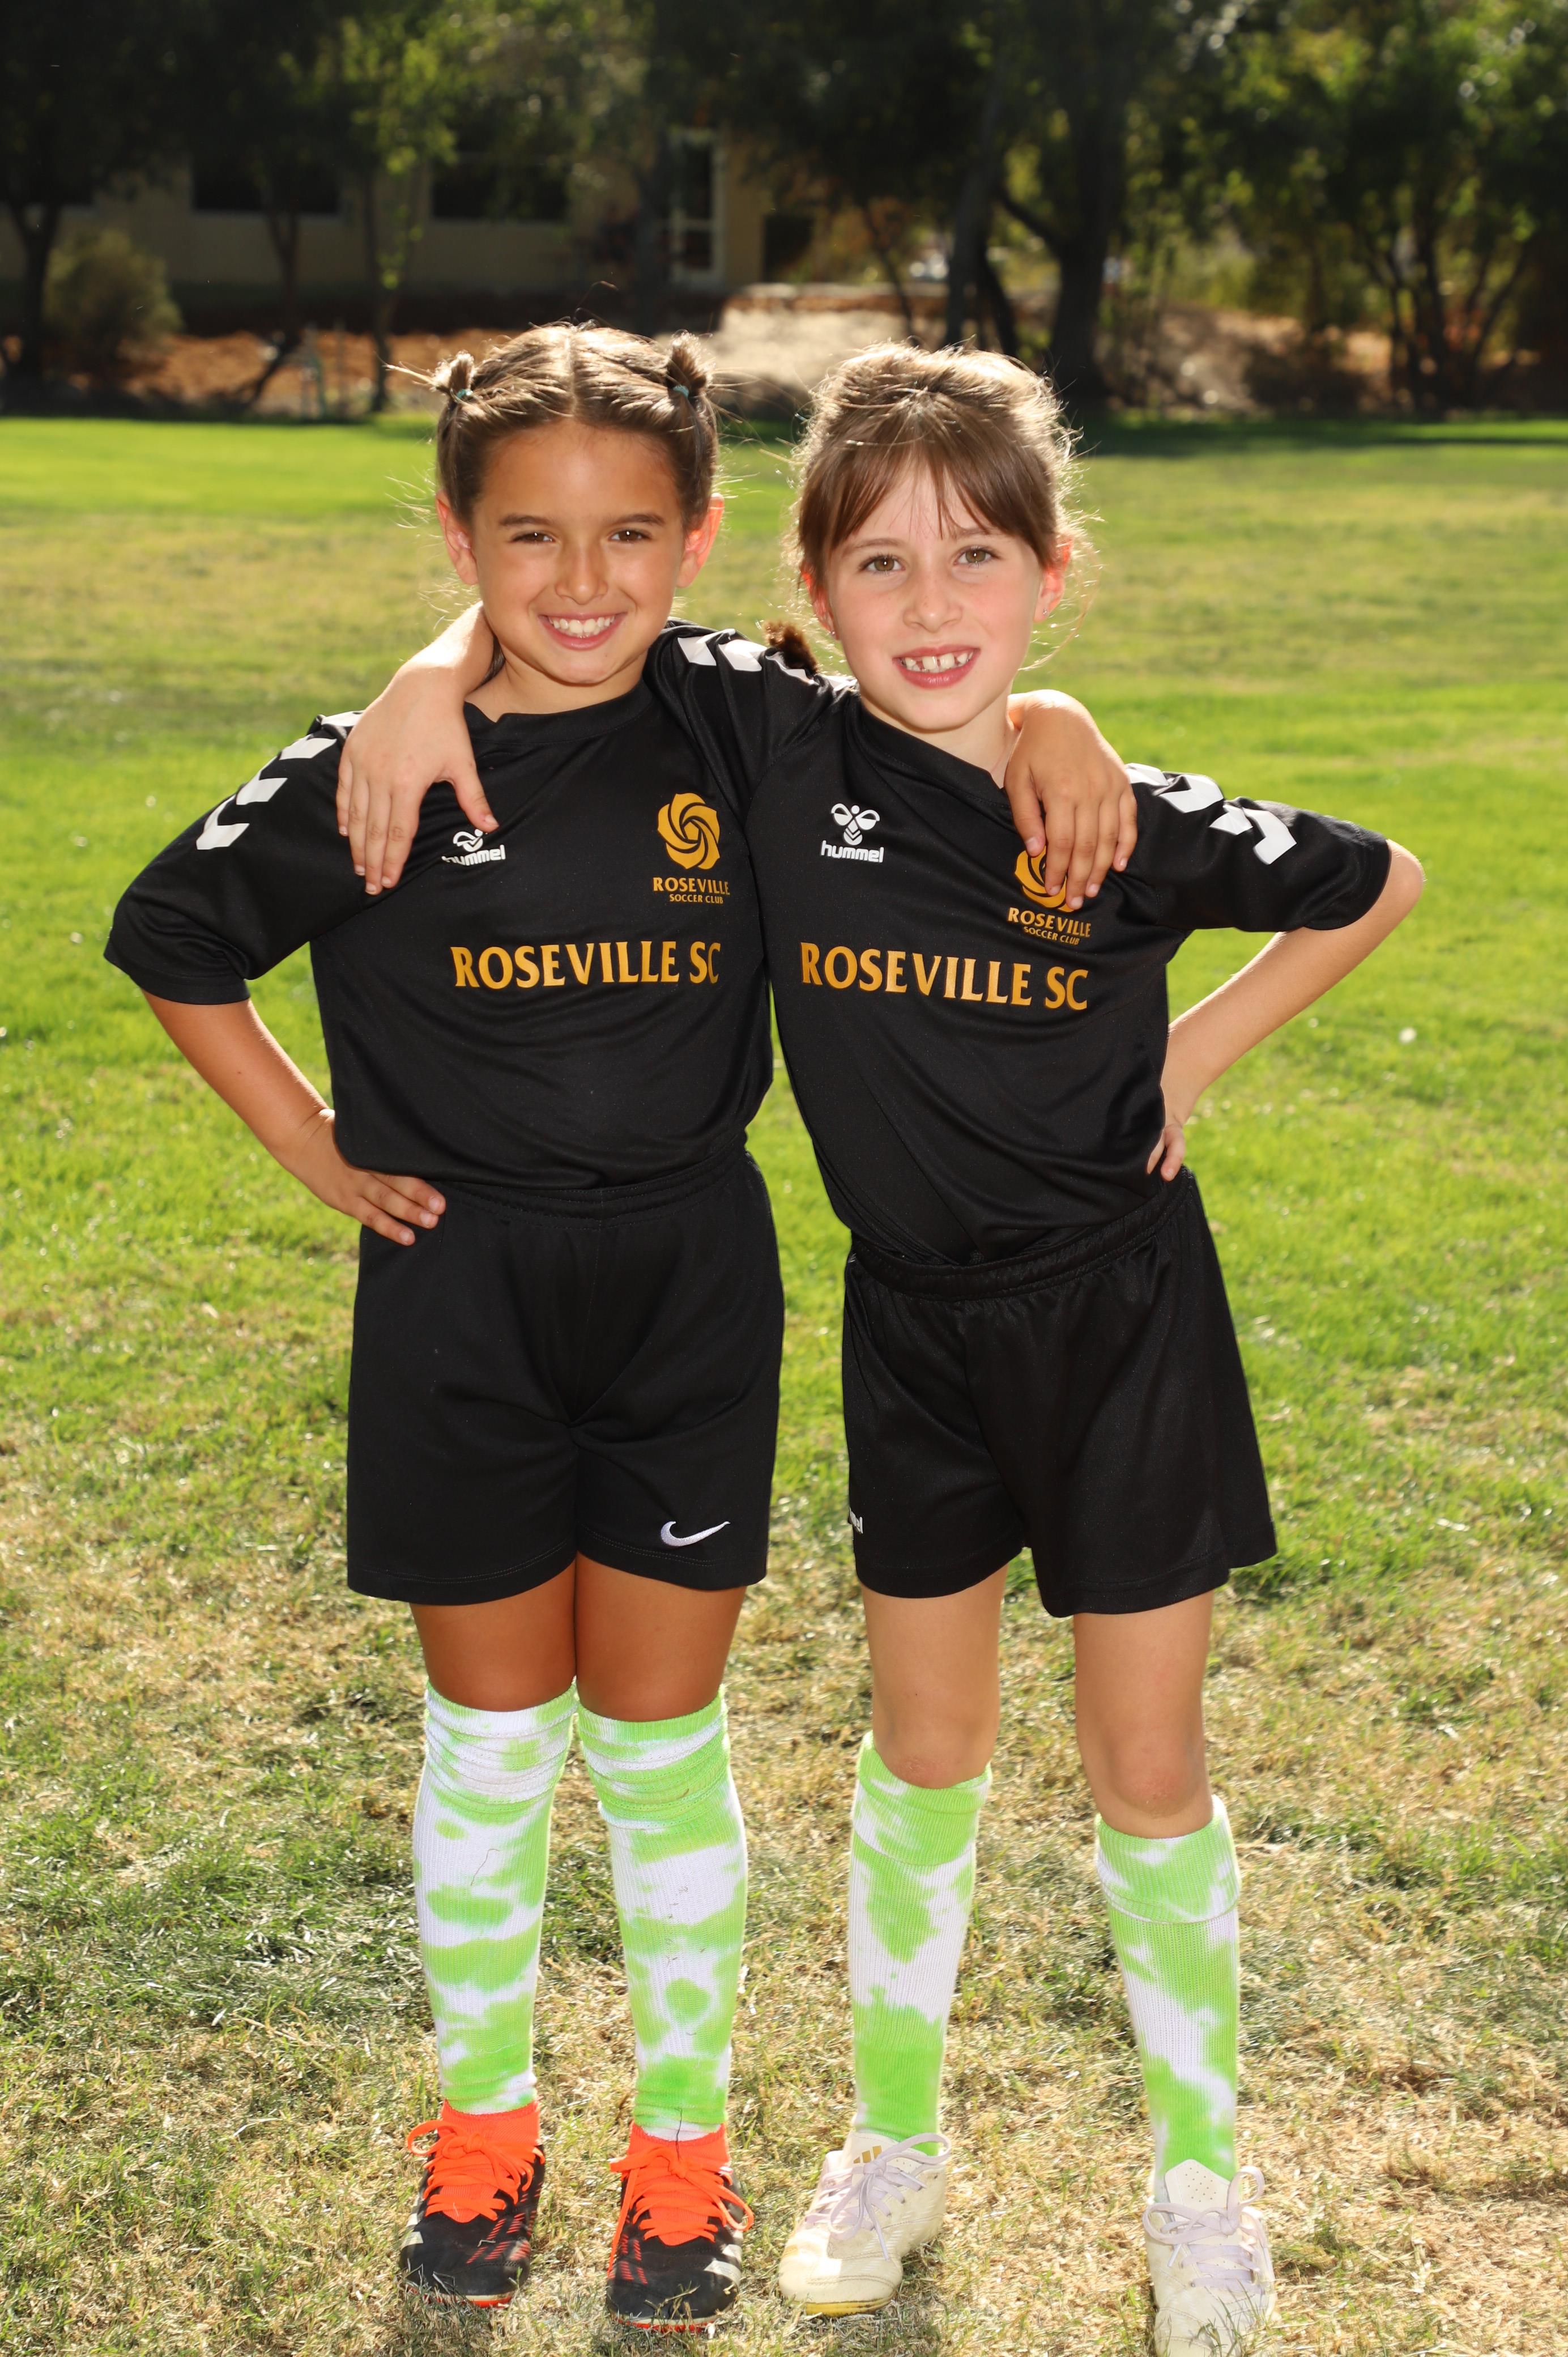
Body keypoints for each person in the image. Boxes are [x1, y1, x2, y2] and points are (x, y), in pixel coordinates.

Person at [352, 342, 1423, 2357]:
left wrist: (1187, 1049)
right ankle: (894, 2144)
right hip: (911, 1327)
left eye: (978, 559)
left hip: (1127, 1325)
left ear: (1050, 571)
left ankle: (1202, 2183)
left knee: (1145, 1766)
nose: (932, 606)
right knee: (924, 1754)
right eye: (881, 565)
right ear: (814, 588)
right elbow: (579, 599)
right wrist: (425, 674)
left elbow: (1376, 883)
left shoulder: (1099, 808)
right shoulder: (772, 749)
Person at [102, 324, 1133, 2330]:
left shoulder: (742, 722)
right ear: (457, 536)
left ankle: (680, 2152)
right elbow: (173, 938)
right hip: (460, 1302)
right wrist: (317, 1149)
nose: (583, 582)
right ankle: (484, 2127)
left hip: (682, 1294)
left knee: (661, 1750)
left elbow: (933, 687)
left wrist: (1066, 716)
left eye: (631, 535)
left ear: (701, 535)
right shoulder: (382, 764)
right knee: (493, 1745)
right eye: (529, 538)